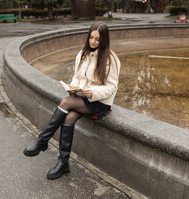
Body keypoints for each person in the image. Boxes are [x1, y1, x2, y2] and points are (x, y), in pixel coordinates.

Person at [23, 22, 121, 180]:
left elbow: (112, 87)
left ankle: (42, 140)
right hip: (81, 97)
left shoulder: (111, 60)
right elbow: (77, 76)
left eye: (97, 39)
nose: (93, 42)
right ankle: (63, 164)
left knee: (66, 102)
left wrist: (92, 92)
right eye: (91, 37)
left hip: (99, 102)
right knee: (68, 117)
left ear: (104, 40)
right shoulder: (82, 54)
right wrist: (74, 87)